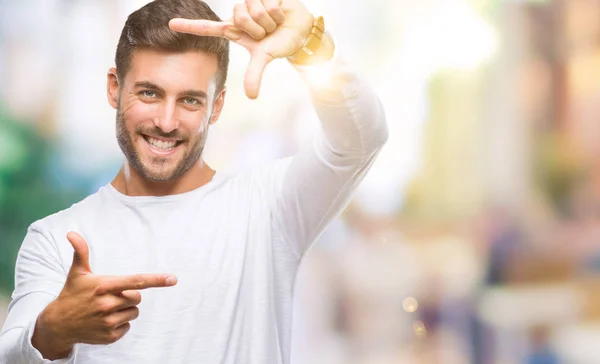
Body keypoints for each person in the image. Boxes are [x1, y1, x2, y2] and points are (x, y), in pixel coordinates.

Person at [0, 0, 388, 362]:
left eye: (190, 100)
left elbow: (360, 139)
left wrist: (311, 49)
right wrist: (51, 329)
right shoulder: (54, 237)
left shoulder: (268, 206)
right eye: (149, 93)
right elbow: (12, 352)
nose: (166, 122)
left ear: (216, 106)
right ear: (114, 88)